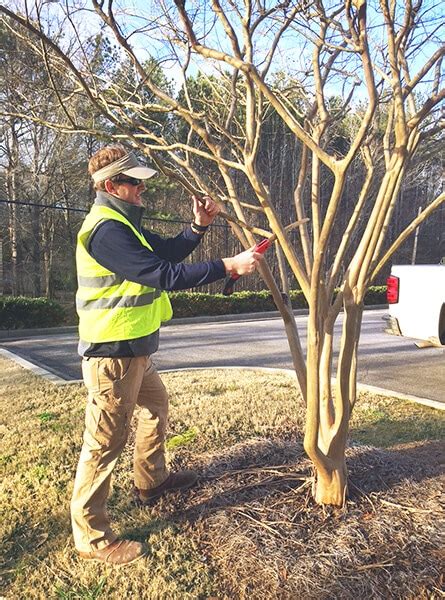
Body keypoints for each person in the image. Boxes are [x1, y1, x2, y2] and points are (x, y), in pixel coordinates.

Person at [71, 144, 260, 566]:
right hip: (112, 356)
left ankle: (151, 482)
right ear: (109, 186)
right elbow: (164, 275)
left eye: (141, 182)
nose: (142, 189)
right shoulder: (105, 231)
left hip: (133, 350)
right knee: (104, 444)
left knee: (156, 406)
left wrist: (198, 227)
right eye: (134, 182)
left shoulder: (124, 223)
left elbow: (169, 253)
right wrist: (227, 266)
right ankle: (93, 538)